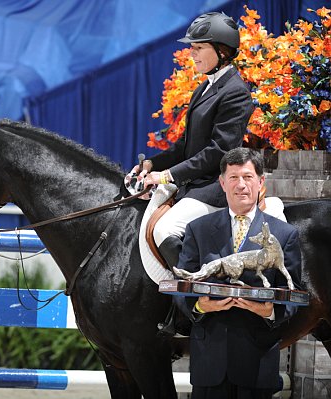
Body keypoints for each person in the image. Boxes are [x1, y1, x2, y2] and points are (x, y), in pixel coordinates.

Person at [125, 12, 254, 268]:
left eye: (198, 47)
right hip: (194, 184)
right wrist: (152, 164)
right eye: (191, 48)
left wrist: (166, 176)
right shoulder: (204, 87)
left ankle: (200, 297)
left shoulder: (236, 92)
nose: (192, 54)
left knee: (165, 230)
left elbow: (218, 151)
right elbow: (186, 145)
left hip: (215, 187)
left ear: (222, 51)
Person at [175, 148, 302, 398]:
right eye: (233, 178)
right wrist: (200, 307)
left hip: (257, 364)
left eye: (247, 177)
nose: (240, 185)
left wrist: (271, 311)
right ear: (222, 183)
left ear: (261, 181)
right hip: (209, 366)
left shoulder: (285, 234)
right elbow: (182, 288)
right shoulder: (197, 230)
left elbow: (294, 292)